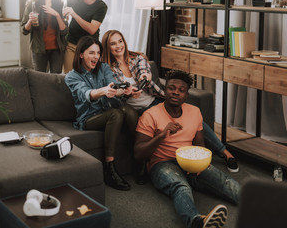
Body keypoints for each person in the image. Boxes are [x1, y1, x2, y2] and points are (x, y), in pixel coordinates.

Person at [101, 30, 239, 179]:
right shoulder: (107, 68)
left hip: (156, 100)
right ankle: (145, 164)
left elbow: (144, 71)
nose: (118, 46)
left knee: (193, 118)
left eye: (120, 41)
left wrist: (145, 77)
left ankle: (225, 153)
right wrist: (127, 92)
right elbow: (115, 89)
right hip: (137, 109)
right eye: (113, 43)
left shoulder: (137, 58)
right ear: (107, 47)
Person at [134, 70, 240, 228]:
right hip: (162, 164)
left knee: (225, 182)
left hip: (191, 162)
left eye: (181, 90)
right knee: (181, 187)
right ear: (164, 90)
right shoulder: (150, 115)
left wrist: (200, 164)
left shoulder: (194, 112)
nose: (176, 92)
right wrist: (162, 135)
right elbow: (138, 153)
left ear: (186, 94)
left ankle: (262, 204)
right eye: (171, 88)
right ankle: (197, 222)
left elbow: (200, 145)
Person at [65, 36, 139, 191]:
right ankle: (109, 169)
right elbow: (86, 94)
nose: (96, 57)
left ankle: (141, 159)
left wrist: (123, 90)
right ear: (81, 54)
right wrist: (103, 91)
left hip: (108, 111)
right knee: (116, 114)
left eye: (98, 53)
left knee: (129, 111)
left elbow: (113, 86)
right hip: (88, 118)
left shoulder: (104, 68)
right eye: (91, 53)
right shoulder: (72, 76)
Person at [21, 0, 67, 73]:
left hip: (57, 49)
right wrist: (30, 20)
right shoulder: (32, 5)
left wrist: (57, 15)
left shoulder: (60, 5)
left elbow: (64, 31)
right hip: (39, 49)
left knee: (55, 80)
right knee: (39, 79)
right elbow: (24, 31)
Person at [62, 0, 107, 73]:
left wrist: (74, 14)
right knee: (69, 76)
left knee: (87, 77)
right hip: (71, 44)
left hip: (89, 47)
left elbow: (92, 29)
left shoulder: (101, 6)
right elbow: (65, 18)